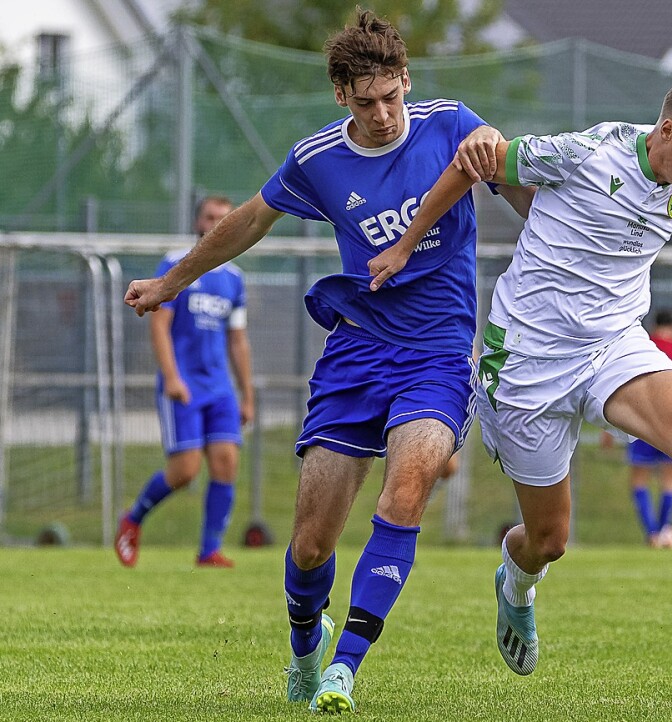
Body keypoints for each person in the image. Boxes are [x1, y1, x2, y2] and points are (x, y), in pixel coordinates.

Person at [124, 9, 532, 715]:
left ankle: (345, 669)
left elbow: (524, 190)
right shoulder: (318, 160)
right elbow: (250, 218)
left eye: (392, 96)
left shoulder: (449, 123)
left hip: (437, 354)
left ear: (407, 80)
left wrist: (519, 168)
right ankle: (308, 647)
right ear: (341, 95)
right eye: (366, 101)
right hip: (356, 354)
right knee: (311, 545)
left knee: (405, 492)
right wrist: (171, 282)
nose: (382, 114)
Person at [369, 67, 672, 675]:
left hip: (611, 345)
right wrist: (407, 244)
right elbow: (475, 165)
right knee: (548, 542)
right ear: (667, 129)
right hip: (525, 364)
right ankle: (515, 584)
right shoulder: (583, 154)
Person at [114, 195, 254, 569]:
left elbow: (237, 341)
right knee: (185, 470)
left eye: (226, 218)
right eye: (211, 217)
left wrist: (247, 395)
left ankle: (209, 551)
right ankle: (132, 519)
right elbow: (159, 325)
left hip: (220, 388)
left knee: (226, 464)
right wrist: (172, 377)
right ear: (198, 222)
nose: (217, 224)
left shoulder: (234, 279)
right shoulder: (175, 264)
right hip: (184, 385)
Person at [603, 308, 672, 549]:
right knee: (670, 480)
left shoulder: (643, 347)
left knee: (639, 480)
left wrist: (606, 429)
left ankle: (651, 533)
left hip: (644, 422)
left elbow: (618, 383)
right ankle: (663, 532)